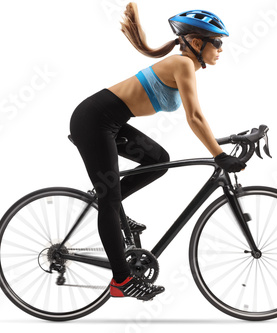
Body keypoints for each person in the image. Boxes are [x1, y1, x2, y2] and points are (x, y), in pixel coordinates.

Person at [69, 2, 246, 301]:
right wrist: (218, 154)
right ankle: (121, 281)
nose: (221, 49)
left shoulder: (185, 66)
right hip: (93, 121)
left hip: (109, 122)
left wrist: (227, 141)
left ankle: (116, 213)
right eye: (217, 42)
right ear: (196, 42)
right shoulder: (183, 64)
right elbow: (195, 118)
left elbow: (197, 120)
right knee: (109, 199)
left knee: (159, 161)